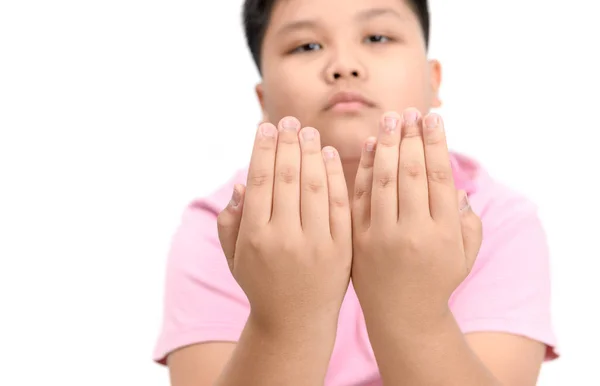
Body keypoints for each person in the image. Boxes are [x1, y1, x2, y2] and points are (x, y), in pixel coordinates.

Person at [153, 0, 559, 384]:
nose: (343, 66)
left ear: (433, 79)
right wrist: (286, 317)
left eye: (378, 38)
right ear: (263, 100)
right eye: (306, 45)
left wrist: (412, 312)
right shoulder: (222, 229)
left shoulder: (495, 219)